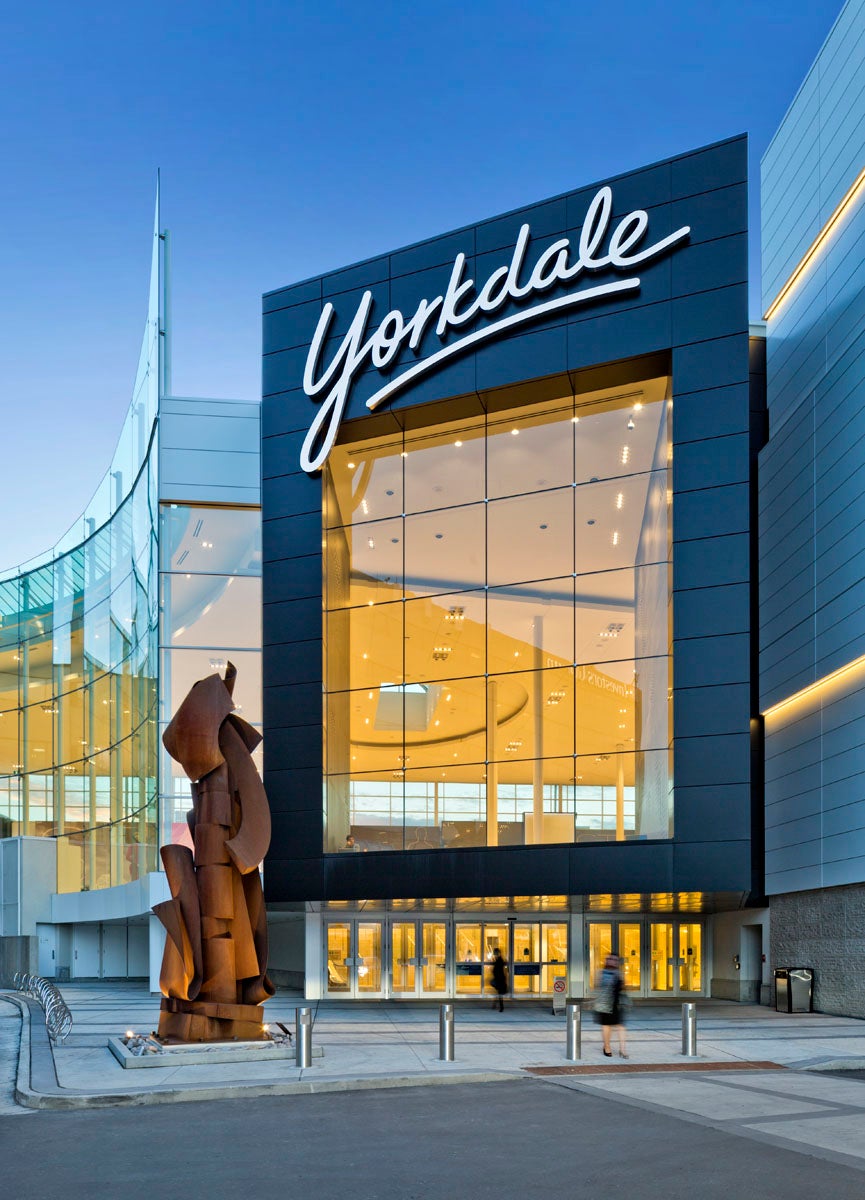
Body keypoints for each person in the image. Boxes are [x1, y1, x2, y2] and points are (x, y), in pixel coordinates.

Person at [595, 953, 628, 1058]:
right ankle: (606, 1046)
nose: (612, 961)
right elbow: (599, 987)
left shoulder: (619, 973)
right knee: (607, 1026)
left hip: (617, 1003)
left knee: (620, 1026)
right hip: (605, 1003)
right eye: (610, 959)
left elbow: (623, 987)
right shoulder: (602, 973)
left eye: (615, 960)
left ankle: (622, 1050)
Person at [490, 948, 508, 1012]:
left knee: (499, 993)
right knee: (498, 993)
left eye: (495, 953)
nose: (495, 955)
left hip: (499, 979)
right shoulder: (499, 960)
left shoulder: (499, 960)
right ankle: (496, 1005)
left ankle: (501, 1007)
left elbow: (497, 970)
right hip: (500, 978)